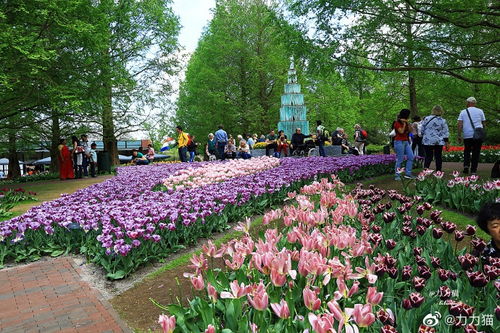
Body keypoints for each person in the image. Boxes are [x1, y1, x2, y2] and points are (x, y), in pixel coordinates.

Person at [457, 97, 486, 175]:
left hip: (467, 135)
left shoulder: (463, 112)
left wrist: (459, 135)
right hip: (478, 135)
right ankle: (473, 170)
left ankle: (466, 166)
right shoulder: (480, 111)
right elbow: (483, 123)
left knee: (467, 150)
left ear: (468, 103)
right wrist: (483, 133)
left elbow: (460, 124)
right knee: (476, 152)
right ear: (474, 103)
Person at [421, 105, 449, 172]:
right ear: (441, 111)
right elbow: (445, 132)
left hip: (427, 140)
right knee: (438, 156)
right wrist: (446, 142)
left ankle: (425, 169)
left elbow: (422, 130)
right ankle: (438, 170)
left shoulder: (426, 118)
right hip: (438, 140)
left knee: (428, 156)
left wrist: (424, 135)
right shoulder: (443, 120)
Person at [393, 109, 415, 180]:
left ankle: (408, 174)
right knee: (400, 159)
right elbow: (401, 132)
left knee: (411, 157)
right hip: (399, 142)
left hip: (406, 142)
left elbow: (412, 131)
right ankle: (397, 176)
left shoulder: (406, 122)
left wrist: (407, 123)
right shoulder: (397, 123)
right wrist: (404, 124)